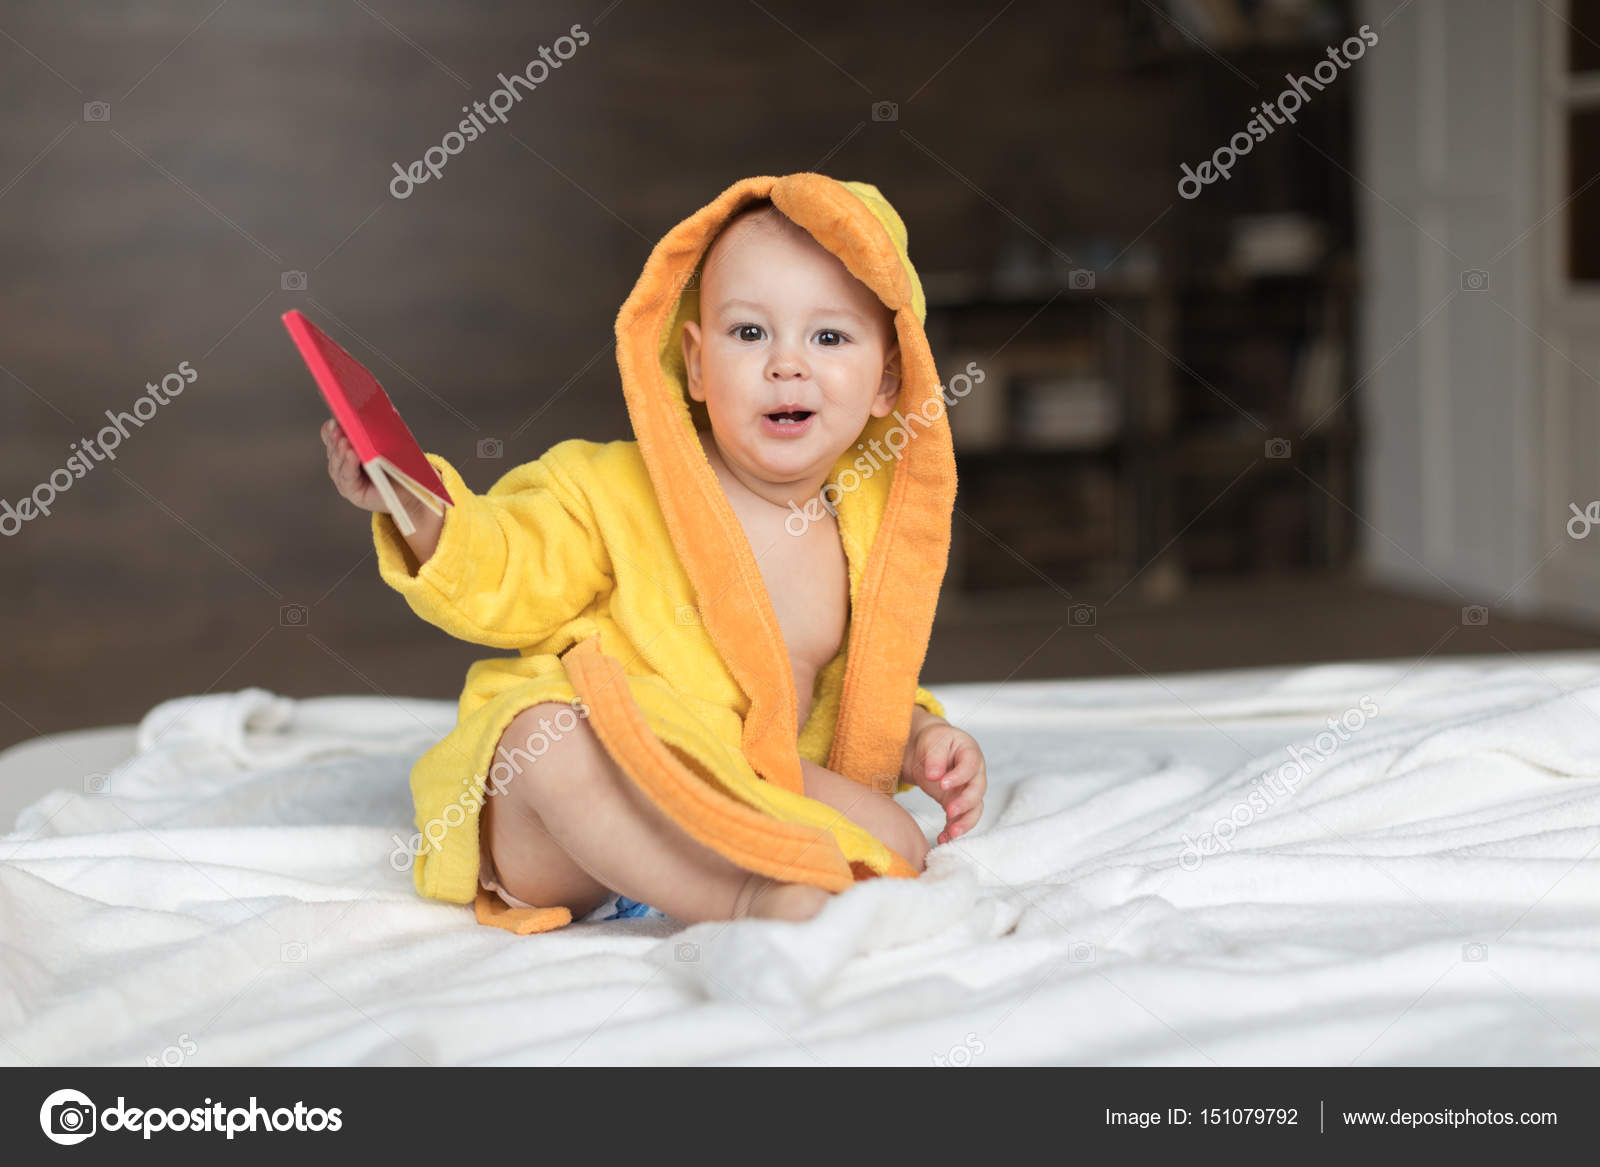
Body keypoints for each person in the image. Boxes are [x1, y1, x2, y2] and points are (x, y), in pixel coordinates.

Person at [322, 174, 987, 934]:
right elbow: (509, 566)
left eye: (829, 336)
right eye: (749, 333)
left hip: (735, 787)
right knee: (540, 733)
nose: (786, 364)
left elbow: (854, 699)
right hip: (576, 834)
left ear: (889, 380)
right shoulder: (614, 488)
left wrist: (919, 738)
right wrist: (421, 509)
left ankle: (727, 866)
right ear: (696, 363)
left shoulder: (858, 533)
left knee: (899, 842)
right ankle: (742, 898)